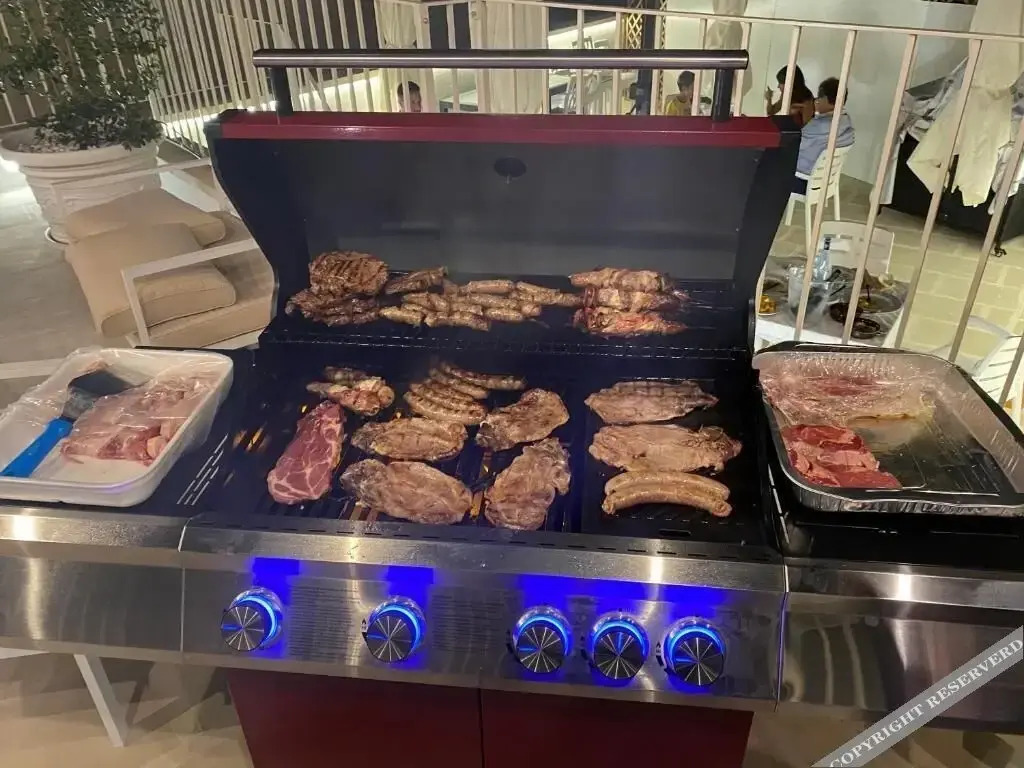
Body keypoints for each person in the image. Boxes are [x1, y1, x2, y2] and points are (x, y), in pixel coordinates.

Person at [794, 77, 855, 194]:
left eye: (818, 98)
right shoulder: (846, 121)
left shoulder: (820, 125)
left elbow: (794, 144)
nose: (816, 101)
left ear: (825, 99)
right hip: (826, 183)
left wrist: (810, 114)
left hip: (805, 182)